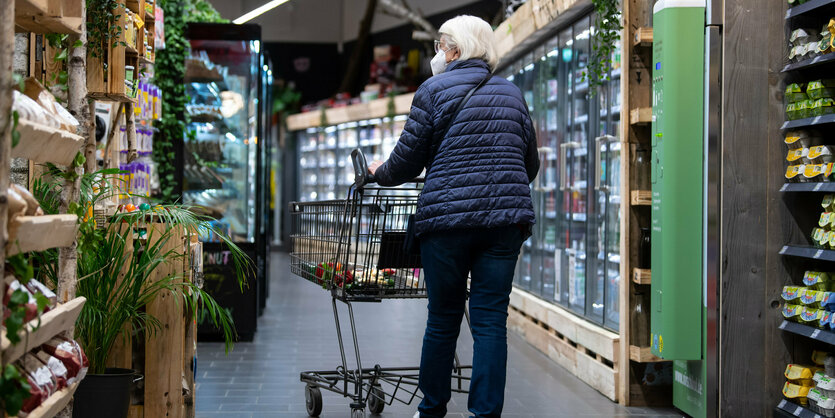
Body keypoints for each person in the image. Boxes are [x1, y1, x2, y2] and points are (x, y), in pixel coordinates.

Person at [368, 15, 539, 418]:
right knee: (491, 320)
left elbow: (406, 163)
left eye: (441, 45)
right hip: (504, 224)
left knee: (443, 318)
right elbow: (528, 165)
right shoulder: (512, 93)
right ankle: (484, 413)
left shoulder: (433, 90)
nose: (436, 54)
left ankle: (431, 410)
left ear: (456, 50)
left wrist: (380, 174)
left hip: (447, 223)